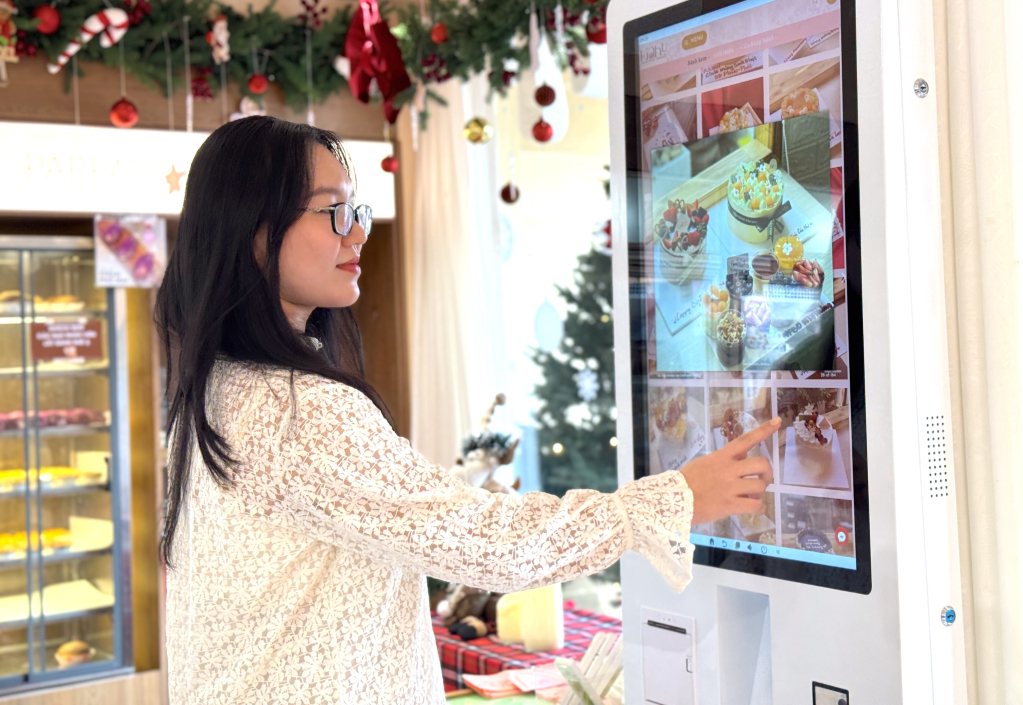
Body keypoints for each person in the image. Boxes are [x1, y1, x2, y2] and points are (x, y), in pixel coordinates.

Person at [157, 116, 777, 705]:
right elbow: (486, 543)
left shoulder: (214, 392)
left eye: (357, 210)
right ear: (255, 232)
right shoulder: (299, 411)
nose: (359, 231)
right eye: (333, 211)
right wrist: (668, 501)